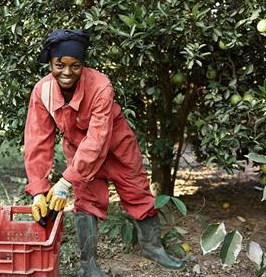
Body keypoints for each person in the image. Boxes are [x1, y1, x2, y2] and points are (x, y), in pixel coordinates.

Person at [24, 29, 184, 276]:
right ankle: (89, 266)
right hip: (79, 153)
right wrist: (38, 189)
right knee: (87, 201)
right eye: (60, 65)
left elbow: (98, 139)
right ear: (50, 63)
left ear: (83, 64)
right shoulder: (42, 92)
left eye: (75, 66)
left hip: (117, 147)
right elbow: (37, 140)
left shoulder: (100, 85)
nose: (67, 73)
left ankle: (153, 248)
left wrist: (65, 181)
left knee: (138, 192)